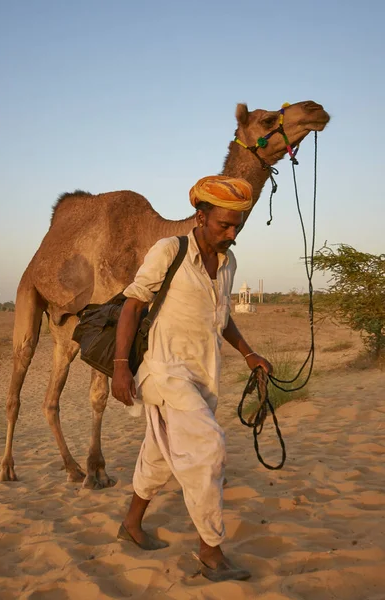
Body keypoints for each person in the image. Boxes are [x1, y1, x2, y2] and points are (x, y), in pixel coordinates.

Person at [111, 175, 272, 582]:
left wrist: (248, 352)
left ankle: (131, 524)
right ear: (201, 217)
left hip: (204, 373)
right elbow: (132, 305)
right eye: (224, 225)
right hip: (165, 370)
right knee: (208, 448)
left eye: (237, 225)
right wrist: (120, 365)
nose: (232, 233)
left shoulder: (229, 263)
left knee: (159, 453)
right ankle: (211, 552)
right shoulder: (170, 250)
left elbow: (223, 317)